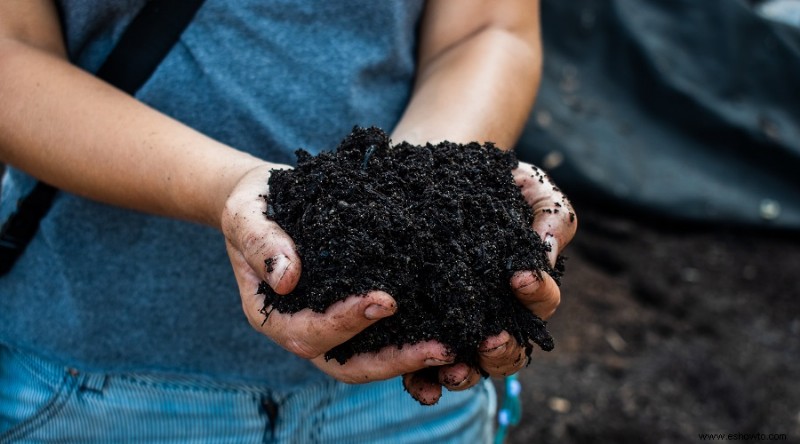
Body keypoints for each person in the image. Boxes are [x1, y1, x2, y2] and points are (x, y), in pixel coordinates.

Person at [0, 0, 576, 442]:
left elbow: (485, 28)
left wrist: (426, 186)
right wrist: (226, 187)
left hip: (409, 391)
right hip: (90, 384)